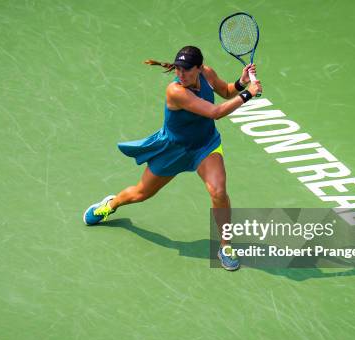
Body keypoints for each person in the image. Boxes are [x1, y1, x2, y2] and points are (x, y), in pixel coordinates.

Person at [83, 45, 262, 271]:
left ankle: (225, 245)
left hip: (205, 146)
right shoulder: (175, 91)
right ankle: (112, 203)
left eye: (186, 70)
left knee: (218, 191)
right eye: (178, 69)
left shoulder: (207, 73)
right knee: (141, 193)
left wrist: (241, 82)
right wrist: (248, 94)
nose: (181, 74)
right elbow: (215, 112)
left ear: (199, 68)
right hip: (173, 150)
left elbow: (226, 92)